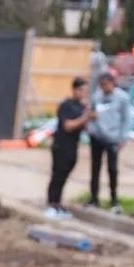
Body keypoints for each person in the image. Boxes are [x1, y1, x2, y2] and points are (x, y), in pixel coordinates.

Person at [46, 76, 94, 219]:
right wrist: (86, 117)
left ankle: (58, 202)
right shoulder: (66, 105)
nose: (84, 93)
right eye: (82, 90)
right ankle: (52, 203)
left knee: (65, 174)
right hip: (62, 145)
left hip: (73, 145)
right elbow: (68, 126)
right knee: (58, 174)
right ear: (75, 90)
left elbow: (83, 127)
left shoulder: (81, 107)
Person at [86, 71, 131, 213]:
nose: (104, 88)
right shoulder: (97, 97)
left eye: (106, 84)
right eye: (101, 85)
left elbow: (126, 118)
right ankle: (94, 197)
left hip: (113, 137)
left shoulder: (122, 98)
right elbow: (91, 114)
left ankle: (114, 199)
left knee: (112, 169)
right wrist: (92, 130)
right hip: (97, 136)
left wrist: (123, 138)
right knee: (95, 168)